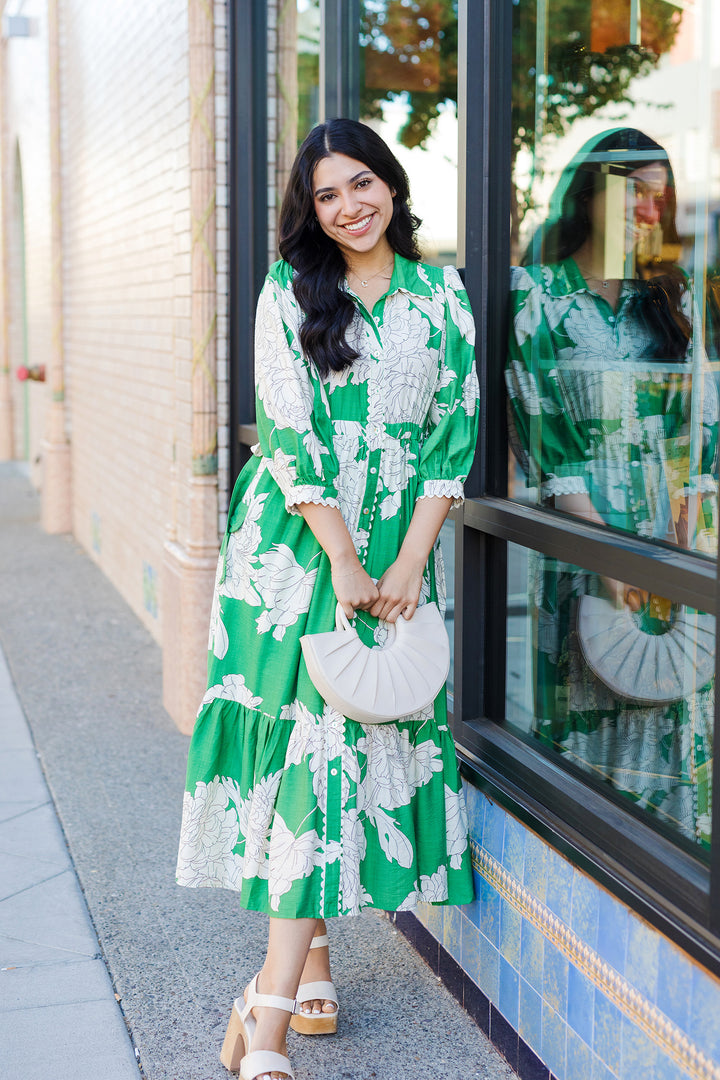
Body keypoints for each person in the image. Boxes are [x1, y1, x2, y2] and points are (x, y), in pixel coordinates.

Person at [176, 118, 479, 1080]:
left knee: (348, 739)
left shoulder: (442, 294)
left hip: (397, 538)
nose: (349, 206)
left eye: (362, 184)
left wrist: (406, 566)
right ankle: (269, 1015)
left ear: (392, 184)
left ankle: (294, 972)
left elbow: (452, 436)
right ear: (310, 211)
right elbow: (289, 428)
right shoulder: (288, 291)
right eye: (327, 195)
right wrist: (347, 562)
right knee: (309, 748)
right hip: (298, 545)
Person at [506, 127, 717, 850]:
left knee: (668, 694)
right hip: (580, 536)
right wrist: (603, 552)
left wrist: (683, 537)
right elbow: (537, 423)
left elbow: (700, 425)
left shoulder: (675, 296)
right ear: (591, 193)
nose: (652, 215)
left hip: (668, 537)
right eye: (637, 194)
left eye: (662, 200)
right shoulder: (535, 295)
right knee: (593, 690)